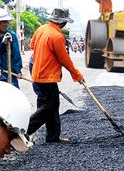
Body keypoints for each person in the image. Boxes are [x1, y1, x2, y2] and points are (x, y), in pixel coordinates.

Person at [28, 8, 84, 143]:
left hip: (37, 73)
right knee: (49, 106)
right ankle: (24, 130)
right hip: (47, 76)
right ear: (63, 23)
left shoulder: (41, 29)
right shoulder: (57, 37)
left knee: (50, 104)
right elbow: (64, 59)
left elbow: (32, 45)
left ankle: (52, 136)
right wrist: (77, 75)